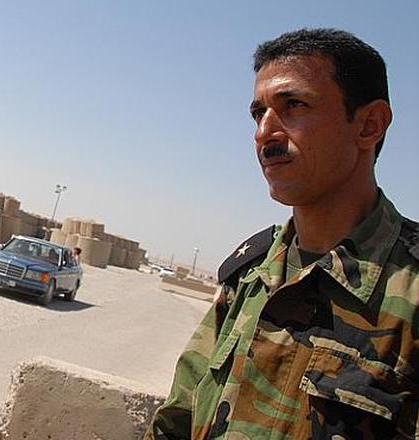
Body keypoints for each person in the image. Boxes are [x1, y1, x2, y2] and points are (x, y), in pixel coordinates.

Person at [146, 28, 418, 439]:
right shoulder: (251, 274)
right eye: (259, 114)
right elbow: (177, 422)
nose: (263, 134)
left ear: (369, 124)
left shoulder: (410, 291)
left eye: (293, 105)